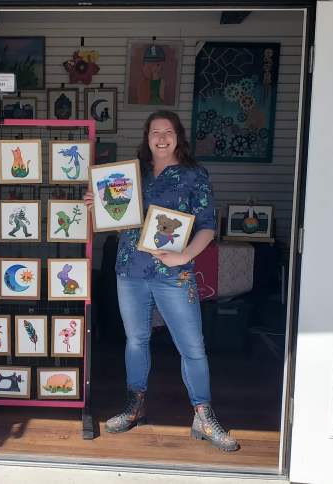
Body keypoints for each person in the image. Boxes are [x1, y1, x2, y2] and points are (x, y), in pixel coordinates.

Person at [84, 110, 239, 452]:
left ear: (178, 136)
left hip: (175, 273)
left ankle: (203, 414)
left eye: (168, 131)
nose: (162, 137)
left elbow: (208, 225)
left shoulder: (193, 175)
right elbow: (114, 217)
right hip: (130, 270)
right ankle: (135, 404)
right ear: (147, 137)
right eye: (155, 132)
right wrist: (96, 204)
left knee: (192, 346)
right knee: (136, 339)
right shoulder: (131, 174)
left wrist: (185, 256)